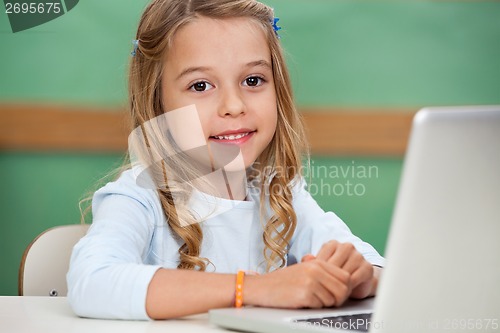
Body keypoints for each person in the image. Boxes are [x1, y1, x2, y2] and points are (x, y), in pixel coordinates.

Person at [67, 0, 385, 321]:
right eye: (201, 85)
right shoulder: (139, 197)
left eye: (253, 80)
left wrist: (359, 277)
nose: (233, 106)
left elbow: (379, 269)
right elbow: (90, 282)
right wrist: (253, 289)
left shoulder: (279, 194)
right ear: (158, 102)